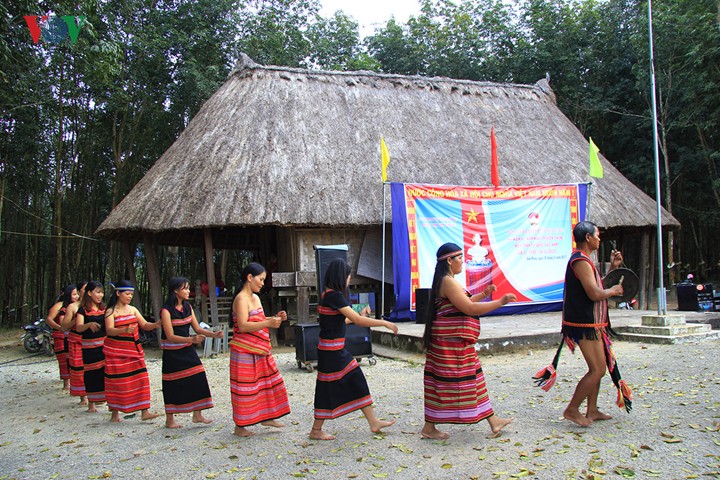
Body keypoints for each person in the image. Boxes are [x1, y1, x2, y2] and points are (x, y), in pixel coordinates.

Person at [421, 242, 516, 440]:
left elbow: (465, 303)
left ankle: (493, 421)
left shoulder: (448, 281)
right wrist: (500, 302)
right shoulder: (447, 282)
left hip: (455, 343)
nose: (463, 262)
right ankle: (429, 428)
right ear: (449, 260)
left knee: (474, 379)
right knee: (443, 383)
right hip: (449, 344)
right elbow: (469, 309)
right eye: (460, 258)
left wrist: (483, 294)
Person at [310, 258, 399, 441]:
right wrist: (383, 322)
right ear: (341, 277)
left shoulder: (328, 294)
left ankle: (318, 429)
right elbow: (357, 322)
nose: (349, 280)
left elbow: (343, 320)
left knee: (330, 386)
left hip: (330, 349)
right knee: (351, 379)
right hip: (333, 351)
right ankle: (319, 429)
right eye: (348, 276)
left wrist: (359, 314)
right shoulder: (335, 295)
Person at [555, 221, 629, 427]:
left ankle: (592, 409)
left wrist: (613, 269)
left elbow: (595, 286)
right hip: (584, 324)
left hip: (592, 323)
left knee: (599, 367)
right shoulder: (580, 260)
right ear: (588, 237)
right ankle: (572, 409)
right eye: (597, 235)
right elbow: (594, 293)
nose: (599, 239)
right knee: (597, 369)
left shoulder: (585, 260)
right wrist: (614, 291)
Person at [230, 262, 290, 437]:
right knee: (245, 388)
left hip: (260, 349)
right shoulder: (241, 298)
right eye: (261, 279)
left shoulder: (255, 298)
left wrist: (276, 318)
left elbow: (259, 321)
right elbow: (242, 325)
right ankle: (240, 427)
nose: (263, 283)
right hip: (244, 351)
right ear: (250, 278)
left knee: (267, 383)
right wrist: (268, 323)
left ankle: (267, 416)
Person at [160, 276, 223, 428]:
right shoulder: (166, 311)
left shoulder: (188, 307)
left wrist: (213, 334)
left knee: (198, 375)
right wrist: (191, 340)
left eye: (188, 288)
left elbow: (198, 328)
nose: (189, 291)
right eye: (185, 288)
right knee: (172, 383)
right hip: (172, 352)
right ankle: (170, 419)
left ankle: (197, 414)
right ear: (176, 291)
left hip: (186, 349)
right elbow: (170, 336)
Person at [104, 281, 161, 423]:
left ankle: (144, 411)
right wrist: (123, 330)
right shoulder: (110, 311)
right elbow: (109, 330)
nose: (129, 297)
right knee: (117, 382)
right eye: (127, 294)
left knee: (141, 379)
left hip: (133, 351)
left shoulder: (133, 309)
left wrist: (157, 324)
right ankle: (115, 414)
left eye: (131, 294)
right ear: (118, 293)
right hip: (116, 352)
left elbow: (145, 325)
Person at [75, 281, 107, 413]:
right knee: (91, 373)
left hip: (104, 346)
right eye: (97, 292)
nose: (100, 295)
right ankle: (92, 403)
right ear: (89, 293)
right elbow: (78, 327)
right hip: (89, 348)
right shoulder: (83, 310)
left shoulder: (104, 309)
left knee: (105, 372)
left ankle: (106, 399)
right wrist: (88, 325)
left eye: (102, 292)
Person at [46, 284, 78, 390]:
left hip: (73, 336)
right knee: (64, 359)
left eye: (77, 294)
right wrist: (60, 328)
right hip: (60, 336)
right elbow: (49, 319)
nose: (76, 296)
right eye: (74, 294)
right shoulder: (60, 306)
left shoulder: (78, 306)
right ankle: (66, 383)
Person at [62, 281, 87, 404]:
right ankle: (83, 396)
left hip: (92, 341)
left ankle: (95, 396)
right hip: (76, 340)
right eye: (85, 289)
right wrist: (76, 320)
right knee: (78, 369)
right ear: (79, 291)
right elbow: (64, 326)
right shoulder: (73, 307)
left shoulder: (97, 306)